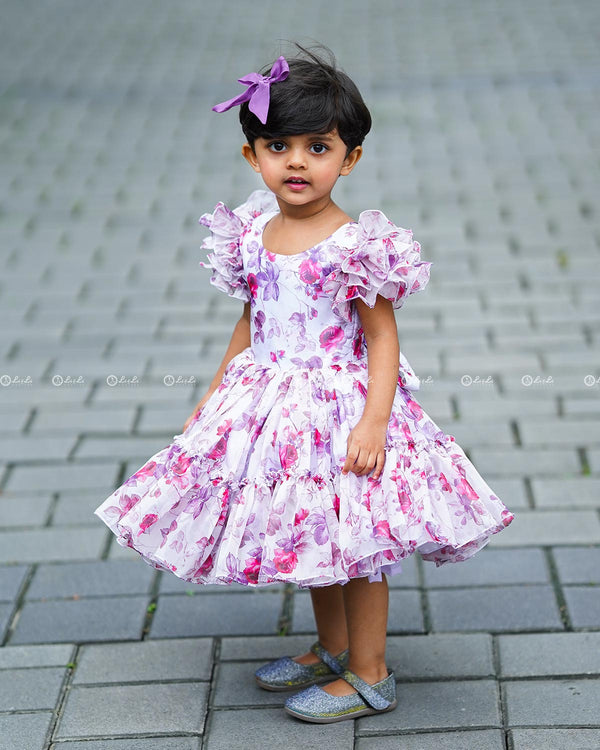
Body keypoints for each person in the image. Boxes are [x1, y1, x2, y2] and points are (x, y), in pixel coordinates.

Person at [93, 43, 515, 724]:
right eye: (277, 145)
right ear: (251, 157)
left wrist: (373, 422)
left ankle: (371, 672)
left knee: (356, 538)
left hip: (339, 411)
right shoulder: (254, 234)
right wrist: (217, 391)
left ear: (349, 159)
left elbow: (382, 338)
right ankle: (334, 647)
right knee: (314, 531)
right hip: (271, 408)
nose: (296, 161)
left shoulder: (354, 246)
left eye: (317, 147)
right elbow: (251, 319)